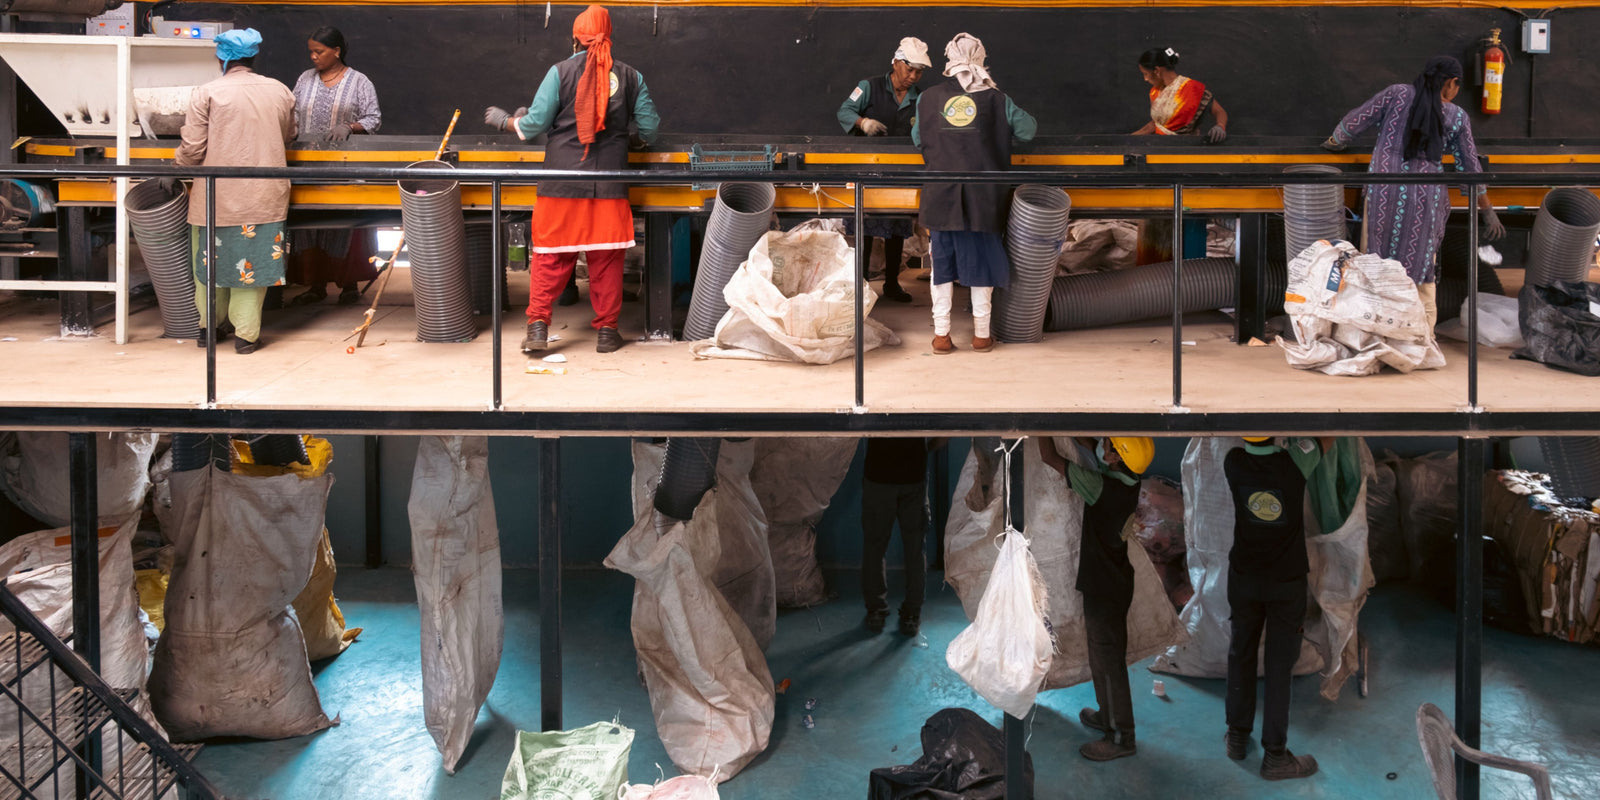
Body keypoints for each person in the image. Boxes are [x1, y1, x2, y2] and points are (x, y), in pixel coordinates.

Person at [485, 5, 659, 355]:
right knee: (606, 260)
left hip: (561, 181)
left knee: (550, 256)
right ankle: (607, 332)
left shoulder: (559, 72)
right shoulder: (630, 76)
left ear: (575, 38)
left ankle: (538, 327)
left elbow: (534, 123)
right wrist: (634, 140)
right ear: (609, 35)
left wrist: (506, 121)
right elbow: (650, 129)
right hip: (609, 184)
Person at [1322, 56, 1505, 329]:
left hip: (1384, 194)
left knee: (1374, 266)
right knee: (1422, 275)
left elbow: (1353, 122)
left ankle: (1374, 334)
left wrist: (1335, 141)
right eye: (1458, 86)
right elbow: (1470, 168)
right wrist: (1487, 210)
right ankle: (1422, 338)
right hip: (1426, 201)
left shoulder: (1396, 95)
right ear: (1451, 83)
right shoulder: (1456, 116)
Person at [171, 28, 296, 354]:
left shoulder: (206, 93)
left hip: (216, 198)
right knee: (251, 267)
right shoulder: (280, 91)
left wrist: (174, 165)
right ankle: (246, 336)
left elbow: (192, 150)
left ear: (221, 58)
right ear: (254, 56)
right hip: (264, 197)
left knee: (209, 265)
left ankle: (208, 329)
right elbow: (289, 135)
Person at [912, 33, 1036, 354]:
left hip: (942, 194)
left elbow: (917, 138)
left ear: (949, 60)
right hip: (984, 197)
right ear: (980, 59)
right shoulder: (996, 98)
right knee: (982, 261)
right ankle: (981, 336)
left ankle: (941, 336)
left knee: (940, 266)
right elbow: (1028, 131)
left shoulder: (928, 98)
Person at [1039, 436, 1153, 762]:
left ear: (1116, 458)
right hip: (1114, 582)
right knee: (1103, 658)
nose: (1105, 444)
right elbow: (1093, 451)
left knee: (1108, 663)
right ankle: (1107, 716)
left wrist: (1039, 425)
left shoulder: (1102, 487)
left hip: (1104, 588)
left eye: (1110, 445)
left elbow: (1049, 458)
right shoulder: (1128, 480)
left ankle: (1121, 737)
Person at [1221, 436, 1326, 781]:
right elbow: (1330, 434)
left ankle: (1237, 737)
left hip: (1244, 578)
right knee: (1279, 667)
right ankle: (1275, 756)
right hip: (1285, 582)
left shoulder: (1234, 462)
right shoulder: (1296, 461)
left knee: (1241, 652)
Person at [288, 26, 382, 307]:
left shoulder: (359, 82)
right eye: (311, 52)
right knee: (309, 226)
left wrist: (350, 126)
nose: (313, 57)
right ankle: (315, 285)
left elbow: (373, 118)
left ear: (336, 51)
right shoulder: (305, 79)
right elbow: (292, 115)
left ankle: (349, 285)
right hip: (306, 167)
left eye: (319, 51)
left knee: (343, 225)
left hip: (344, 169)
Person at [836, 37, 932, 302]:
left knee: (897, 226)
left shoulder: (920, 98)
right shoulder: (868, 87)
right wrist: (863, 122)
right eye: (909, 69)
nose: (913, 77)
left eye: (919, 72)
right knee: (864, 226)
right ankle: (861, 285)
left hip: (900, 171)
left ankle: (891, 283)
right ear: (896, 63)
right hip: (867, 169)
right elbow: (844, 111)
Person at [860, 437, 941, 636]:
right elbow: (945, 434)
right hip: (913, 476)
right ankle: (912, 614)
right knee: (915, 549)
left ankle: (876, 610)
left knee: (874, 548)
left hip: (878, 476)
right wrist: (924, 449)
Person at [1131, 47, 1229, 142]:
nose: (1145, 79)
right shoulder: (1155, 92)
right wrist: (1128, 139)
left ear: (1157, 71)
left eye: (1145, 74)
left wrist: (1220, 126)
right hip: (1160, 145)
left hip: (1185, 146)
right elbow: (1155, 125)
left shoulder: (1192, 88)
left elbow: (1219, 111)